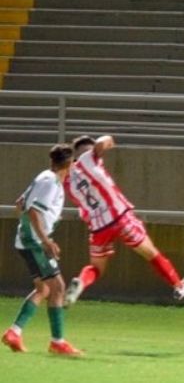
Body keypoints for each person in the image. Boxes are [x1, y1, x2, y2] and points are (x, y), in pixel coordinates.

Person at [63, 135, 184, 306]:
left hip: (98, 227)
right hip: (120, 216)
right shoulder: (90, 159)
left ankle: (81, 282)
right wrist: (106, 141)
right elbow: (104, 141)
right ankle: (178, 285)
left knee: (96, 268)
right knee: (151, 253)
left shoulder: (67, 180)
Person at [2, 144, 82, 356]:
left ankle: (14, 332)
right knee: (58, 288)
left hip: (28, 240)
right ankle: (57, 342)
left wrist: (46, 222)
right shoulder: (51, 183)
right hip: (35, 243)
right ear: (69, 164)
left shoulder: (44, 177)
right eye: (74, 162)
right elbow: (34, 211)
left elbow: (20, 204)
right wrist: (45, 240)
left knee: (44, 290)